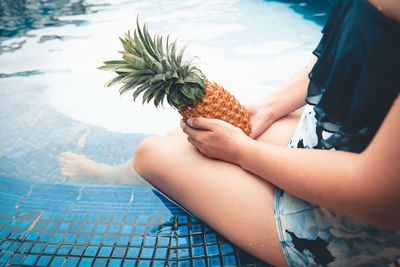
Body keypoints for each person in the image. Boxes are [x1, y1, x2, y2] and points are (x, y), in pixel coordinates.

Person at [60, 0, 400, 265]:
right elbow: (349, 50)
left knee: (151, 152)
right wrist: (270, 107)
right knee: (184, 138)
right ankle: (128, 175)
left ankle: (123, 174)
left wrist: (241, 152)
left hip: (349, 232)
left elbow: (379, 197)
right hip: (327, 145)